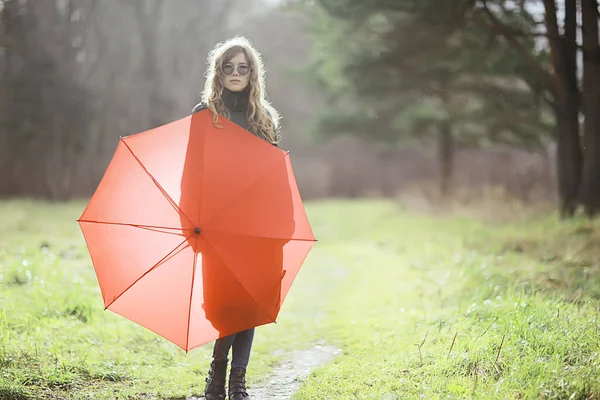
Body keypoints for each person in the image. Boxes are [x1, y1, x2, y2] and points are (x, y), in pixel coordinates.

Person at [191, 36, 282, 400]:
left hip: (258, 226)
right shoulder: (206, 114)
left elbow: (278, 177)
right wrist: (191, 220)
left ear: (252, 72)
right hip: (216, 224)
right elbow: (191, 172)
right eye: (228, 66)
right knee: (222, 303)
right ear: (219, 71)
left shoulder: (265, 119)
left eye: (242, 67)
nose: (235, 73)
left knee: (249, 301)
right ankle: (216, 375)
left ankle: (236, 382)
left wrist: (284, 224)